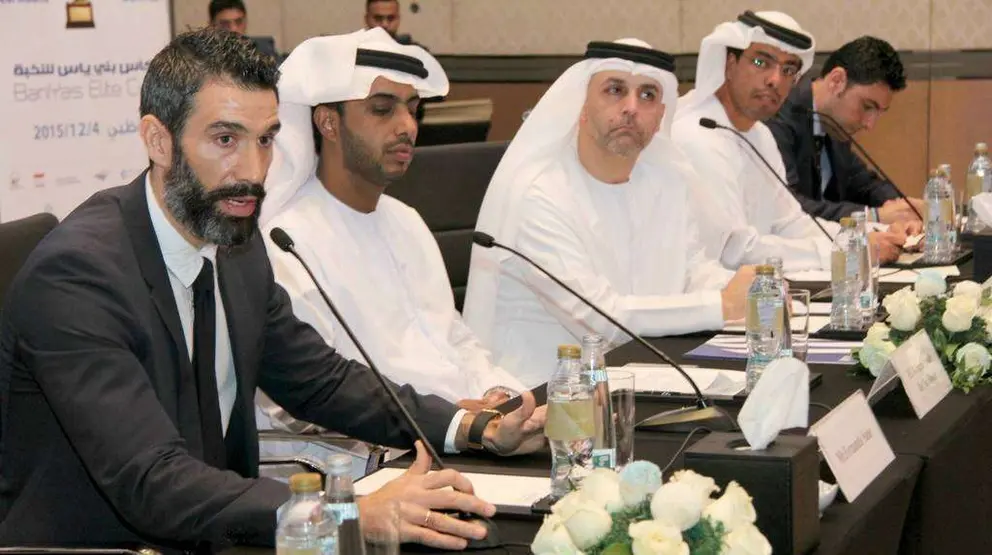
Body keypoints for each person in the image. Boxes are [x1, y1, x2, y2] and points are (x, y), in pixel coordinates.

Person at [0, 28, 544, 552]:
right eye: (224, 139)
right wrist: (347, 513)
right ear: (157, 140)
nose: (254, 169)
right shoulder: (78, 275)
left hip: (219, 531)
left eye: (265, 140)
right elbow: (150, 479)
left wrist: (470, 426)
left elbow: (320, 381)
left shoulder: (235, 243)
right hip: (105, 544)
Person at [256, 29, 525, 436]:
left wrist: (498, 392)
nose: (407, 127)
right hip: (377, 459)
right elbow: (310, 399)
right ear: (328, 123)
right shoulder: (287, 242)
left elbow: (453, 338)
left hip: (465, 433)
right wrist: (455, 420)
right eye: (383, 110)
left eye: (412, 109)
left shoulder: (406, 220)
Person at [462, 39, 754, 388]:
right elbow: (599, 317)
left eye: (647, 95)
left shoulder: (666, 179)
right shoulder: (539, 193)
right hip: (545, 395)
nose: (631, 107)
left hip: (641, 373)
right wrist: (721, 305)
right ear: (581, 107)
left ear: (661, 115)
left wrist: (746, 290)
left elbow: (691, 267)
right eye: (615, 90)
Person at [672, 11, 903, 271]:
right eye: (761, 63)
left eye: (788, 69)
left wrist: (867, 235)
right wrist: (849, 251)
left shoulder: (760, 135)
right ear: (729, 64)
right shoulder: (696, 134)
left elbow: (790, 223)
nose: (775, 80)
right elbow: (734, 250)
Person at [768, 35, 924, 225]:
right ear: (837, 81)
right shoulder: (779, 115)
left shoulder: (834, 125)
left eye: (878, 113)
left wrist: (904, 206)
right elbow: (789, 207)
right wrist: (872, 216)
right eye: (867, 107)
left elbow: (863, 184)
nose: (869, 124)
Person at [208, 0, 279, 59]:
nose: (233, 29)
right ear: (212, 25)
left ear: (245, 22)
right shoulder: (203, 57)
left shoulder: (262, 52)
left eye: (238, 22)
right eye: (225, 24)